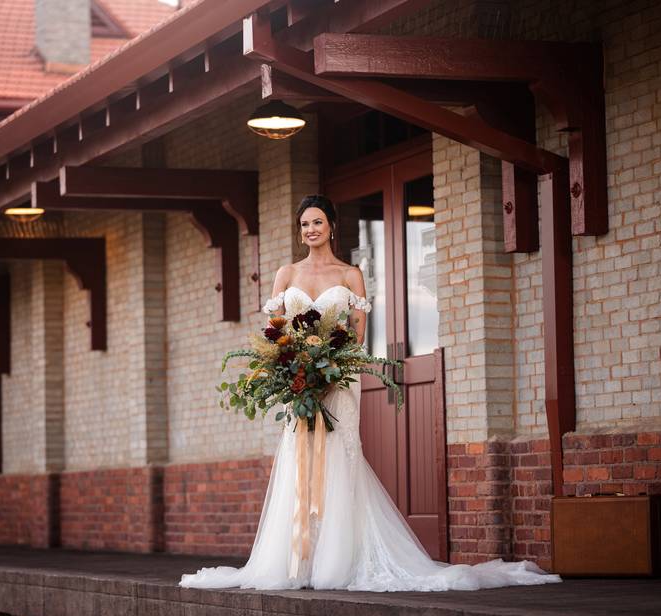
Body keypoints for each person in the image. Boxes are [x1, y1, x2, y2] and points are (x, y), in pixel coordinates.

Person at [179, 195, 560, 591]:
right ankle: (297, 559)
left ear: (332, 225)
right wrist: (292, 367)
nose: (310, 230)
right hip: (298, 382)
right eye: (304, 224)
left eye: (317, 222)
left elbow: (357, 335)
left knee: (340, 456)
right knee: (299, 456)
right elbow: (273, 332)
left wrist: (328, 368)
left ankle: (338, 560)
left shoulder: (350, 275)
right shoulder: (286, 273)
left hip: (339, 380)